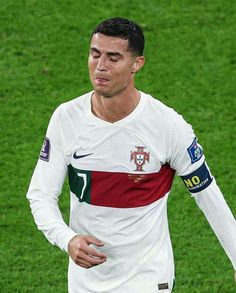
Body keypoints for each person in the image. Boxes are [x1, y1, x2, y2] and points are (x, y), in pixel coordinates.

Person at [26, 17, 236, 293]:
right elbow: (41, 194)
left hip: (148, 279)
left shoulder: (167, 126)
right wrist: (67, 239)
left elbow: (207, 195)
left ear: (137, 64)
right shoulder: (67, 118)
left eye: (113, 57)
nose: (100, 66)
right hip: (85, 283)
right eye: (95, 54)